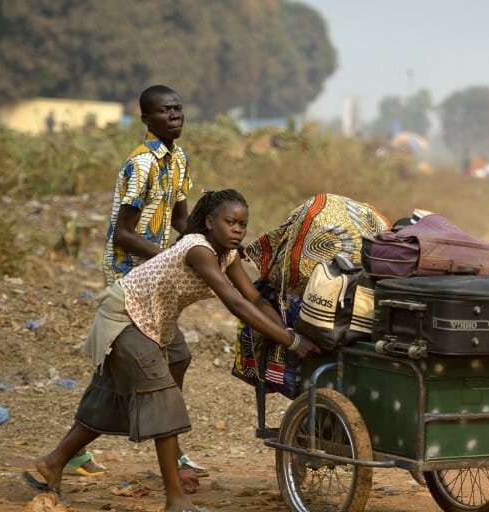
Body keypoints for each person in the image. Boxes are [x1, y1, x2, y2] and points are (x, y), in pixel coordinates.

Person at [25, 190, 321, 512]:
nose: (237, 230)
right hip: (124, 316)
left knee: (125, 390)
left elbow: (253, 298)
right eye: (230, 222)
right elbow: (234, 303)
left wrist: (286, 331)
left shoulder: (228, 255)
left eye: (243, 224)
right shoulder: (198, 249)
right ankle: (176, 500)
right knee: (162, 396)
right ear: (209, 222)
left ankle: (54, 462)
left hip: (155, 321)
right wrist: (289, 342)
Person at [65, 85, 199, 478]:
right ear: (146, 119)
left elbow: (179, 220)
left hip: (154, 275)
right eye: (165, 111)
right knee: (163, 362)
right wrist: (173, 258)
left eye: (178, 109)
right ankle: (169, 448)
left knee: (137, 368)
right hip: (129, 277)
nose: (175, 116)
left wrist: (208, 245)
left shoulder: (179, 162)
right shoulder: (141, 164)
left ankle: (71, 452)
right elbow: (122, 234)